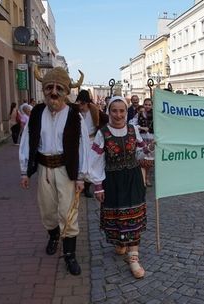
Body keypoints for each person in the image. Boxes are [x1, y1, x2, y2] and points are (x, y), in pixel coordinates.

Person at [19, 66, 87, 275]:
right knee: (47, 209)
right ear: (44, 90)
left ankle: (70, 255)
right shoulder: (37, 112)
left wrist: (82, 176)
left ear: (67, 92)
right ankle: (54, 236)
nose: (54, 92)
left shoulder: (75, 116)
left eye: (59, 88)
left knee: (68, 212)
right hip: (44, 168)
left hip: (66, 170)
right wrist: (24, 170)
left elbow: (83, 146)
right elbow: (26, 140)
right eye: (49, 87)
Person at [89, 96, 153, 279]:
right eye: (114, 111)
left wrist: (150, 148)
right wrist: (98, 186)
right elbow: (95, 161)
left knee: (134, 216)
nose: (118, 115)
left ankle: (133, 258)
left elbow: (142, 149)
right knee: (117, 215)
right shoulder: (103, 133)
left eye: (122, 111)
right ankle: (120, 241)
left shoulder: (133, 130)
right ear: (109, 112)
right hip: (113, 181)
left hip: (133, 179)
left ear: (126, 112)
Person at [76, 89, 109, 197]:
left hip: (91, 140)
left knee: (90, 163)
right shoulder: (76, 112)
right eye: (79, 103)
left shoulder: (94, 110)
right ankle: (79, 183)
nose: (81, 106)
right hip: (80, 141)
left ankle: (87, 187)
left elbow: (107, 119)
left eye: (83, 103)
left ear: (87, 102)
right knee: (80, 162)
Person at [137, 98, 154, 187]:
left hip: (151, 138)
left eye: (149, 105)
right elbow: (133, 124)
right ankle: (143, 179)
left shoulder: (155, 115)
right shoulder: (139, 114)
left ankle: (147, 177)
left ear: (152, 105)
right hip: (142, 139)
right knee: (143, 160)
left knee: (150, 162)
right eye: (146, 104)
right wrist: (142, 128)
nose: (147, 106)